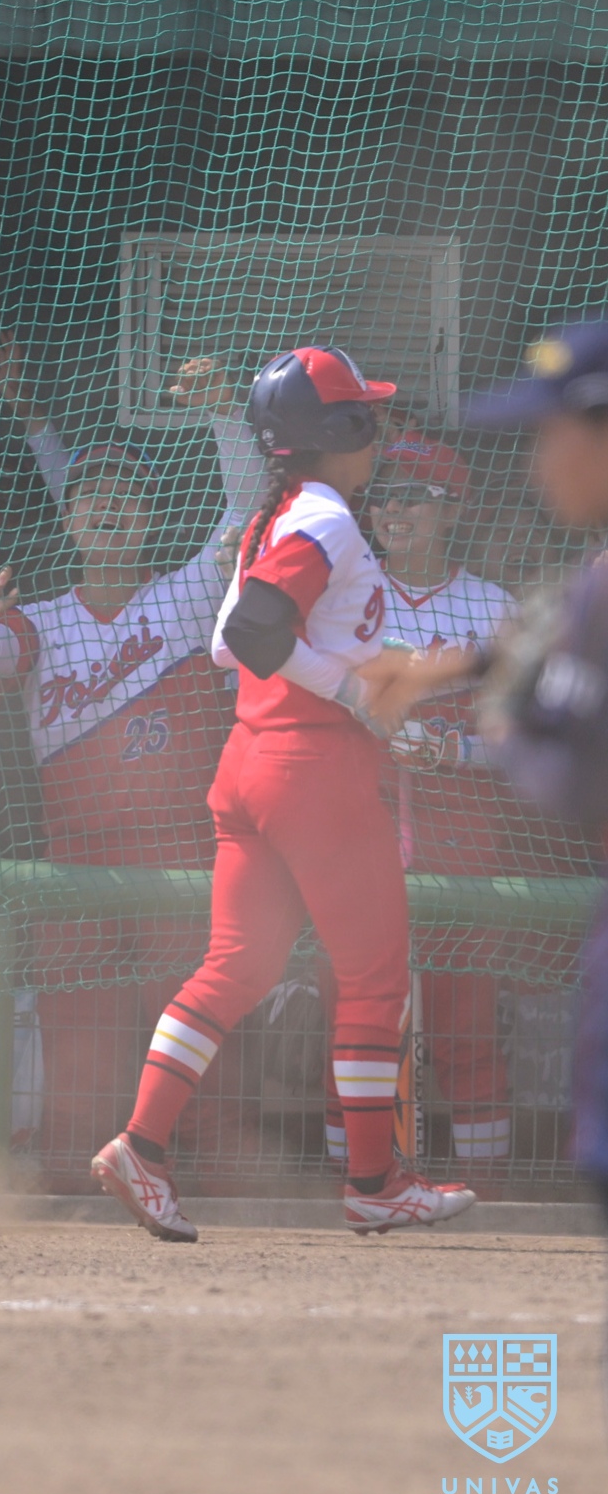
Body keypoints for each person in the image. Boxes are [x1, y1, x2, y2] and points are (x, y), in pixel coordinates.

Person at [90, 346, 476, 1240]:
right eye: (363, 417)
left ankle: (141, 1147)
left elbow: (228, 642)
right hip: (313, 773)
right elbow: (252, 632)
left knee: (237, 967)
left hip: (250, 761)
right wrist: (349, 692)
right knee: (373, 978)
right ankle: (374, 1182)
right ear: (335, 430)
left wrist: (366, 676)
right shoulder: (325, 518)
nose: (374, 431)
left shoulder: (281, 513)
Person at [0, 349, 257, 1164]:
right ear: (68, 519)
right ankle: (69, 1191)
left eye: (124, 493)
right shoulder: (41, 617)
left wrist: (223, 412)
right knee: (80, 1053)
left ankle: (219, 1189)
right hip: (75, 863)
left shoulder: (186, 594)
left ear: (150, 515)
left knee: (198, 1047)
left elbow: (244, 506)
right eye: (89, 494)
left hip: (178, 859)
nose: (106, 505)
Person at [381, 318, 608, 1232]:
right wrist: (471, 673)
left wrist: (498, 730)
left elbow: (572, 787)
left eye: (548, 434)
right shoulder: (587, 582)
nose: (534, 463)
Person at [331, 436, 524, 1169]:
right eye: (383, 494)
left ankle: (491, 1197)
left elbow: (524, 739)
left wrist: (454, 751)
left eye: (413, 494)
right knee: (356, 1022)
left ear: (452, 508)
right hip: (359, 829)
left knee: (465, 1026)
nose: (393, 509)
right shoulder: (346, 595)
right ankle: (352, 1185)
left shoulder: (494, 606)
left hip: (464, 835)